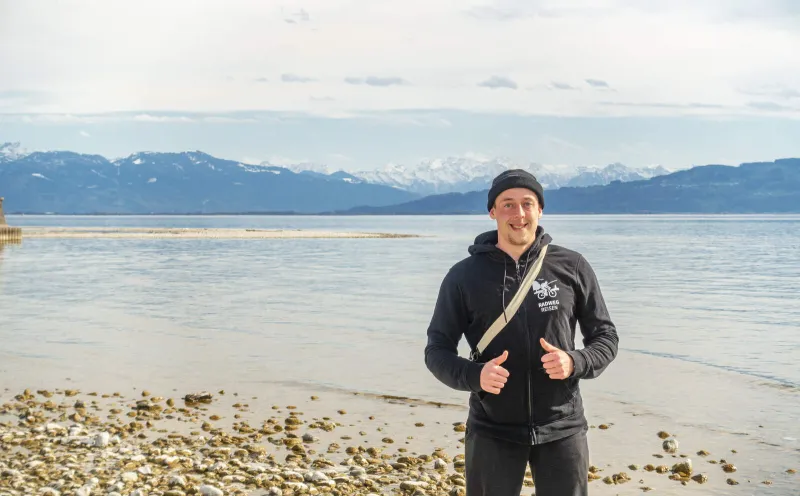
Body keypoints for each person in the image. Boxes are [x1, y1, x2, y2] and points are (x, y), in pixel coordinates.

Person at [424, 169, 619, 496]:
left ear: (540, 210)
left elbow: (606, 338)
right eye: (508, 205)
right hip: (491, 430)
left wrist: (575, 362)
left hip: (563, 427)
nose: (519, 214)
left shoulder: (572, 266)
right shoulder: (463, 277)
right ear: (492, 212)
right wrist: (475, 376)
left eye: (527, 204)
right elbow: (437, 350)